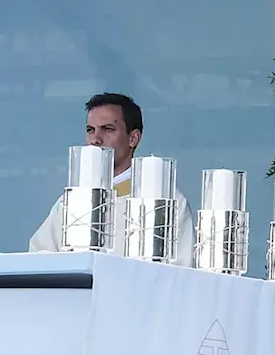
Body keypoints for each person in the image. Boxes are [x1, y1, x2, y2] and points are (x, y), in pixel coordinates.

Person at [29, 93, 196, 266]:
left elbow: (181, 271)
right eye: (90, 130)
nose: (96, 139)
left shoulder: (166, 201)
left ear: (133, 138)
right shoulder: (71, 203)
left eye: (108, 129)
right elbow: (39, 257)